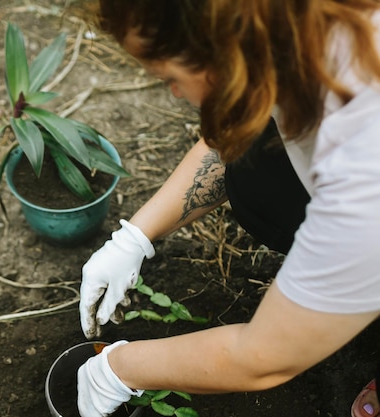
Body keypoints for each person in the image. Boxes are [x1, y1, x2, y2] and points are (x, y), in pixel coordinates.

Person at [75, 1, 380, 417]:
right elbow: (236, 129)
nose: (175, 93)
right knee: (259, 169)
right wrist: (134, 236)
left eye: (171, 78)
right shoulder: (298, 26)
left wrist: (119, 369)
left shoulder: (363, 167)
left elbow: (263, 357)